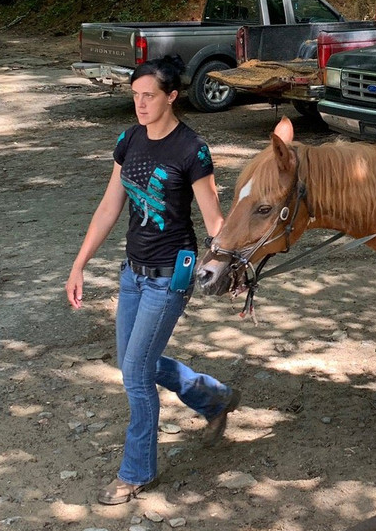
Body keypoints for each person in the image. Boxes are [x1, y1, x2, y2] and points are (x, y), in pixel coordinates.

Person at [65, 54, 240, 506]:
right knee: (131, 360)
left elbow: (213, 218)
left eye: (149, 97)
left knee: (136, 375)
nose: (140, 105)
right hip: (132, 273)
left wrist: (233, 264)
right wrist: (79, 263)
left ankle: (135, 472)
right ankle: (211, 395)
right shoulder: (129, 141)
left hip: (171, 276)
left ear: (171, 97)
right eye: (135, 96)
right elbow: (109, 207)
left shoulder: (191, 149)